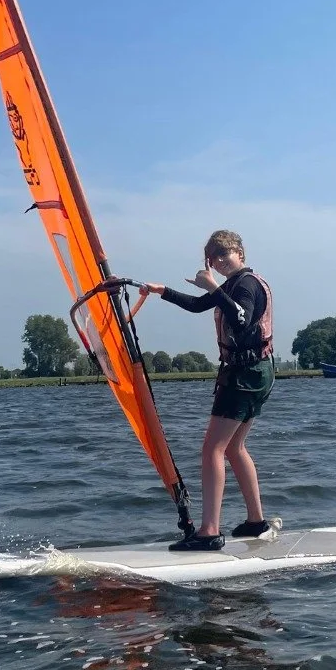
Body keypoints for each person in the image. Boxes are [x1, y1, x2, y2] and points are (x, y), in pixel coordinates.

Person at [141, 229, 275, 551]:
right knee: (234, 447)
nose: (220, 260)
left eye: (225, 254)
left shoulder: (246, 284)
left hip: (245, 375)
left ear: (240, 253)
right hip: (256, 373)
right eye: (215, 257)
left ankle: (209, 531)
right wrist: (163, 292)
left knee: (212, 449)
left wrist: (213, 285)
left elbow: (240, 319)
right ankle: (256, 522)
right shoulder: (231, 286)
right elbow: (200, 305)